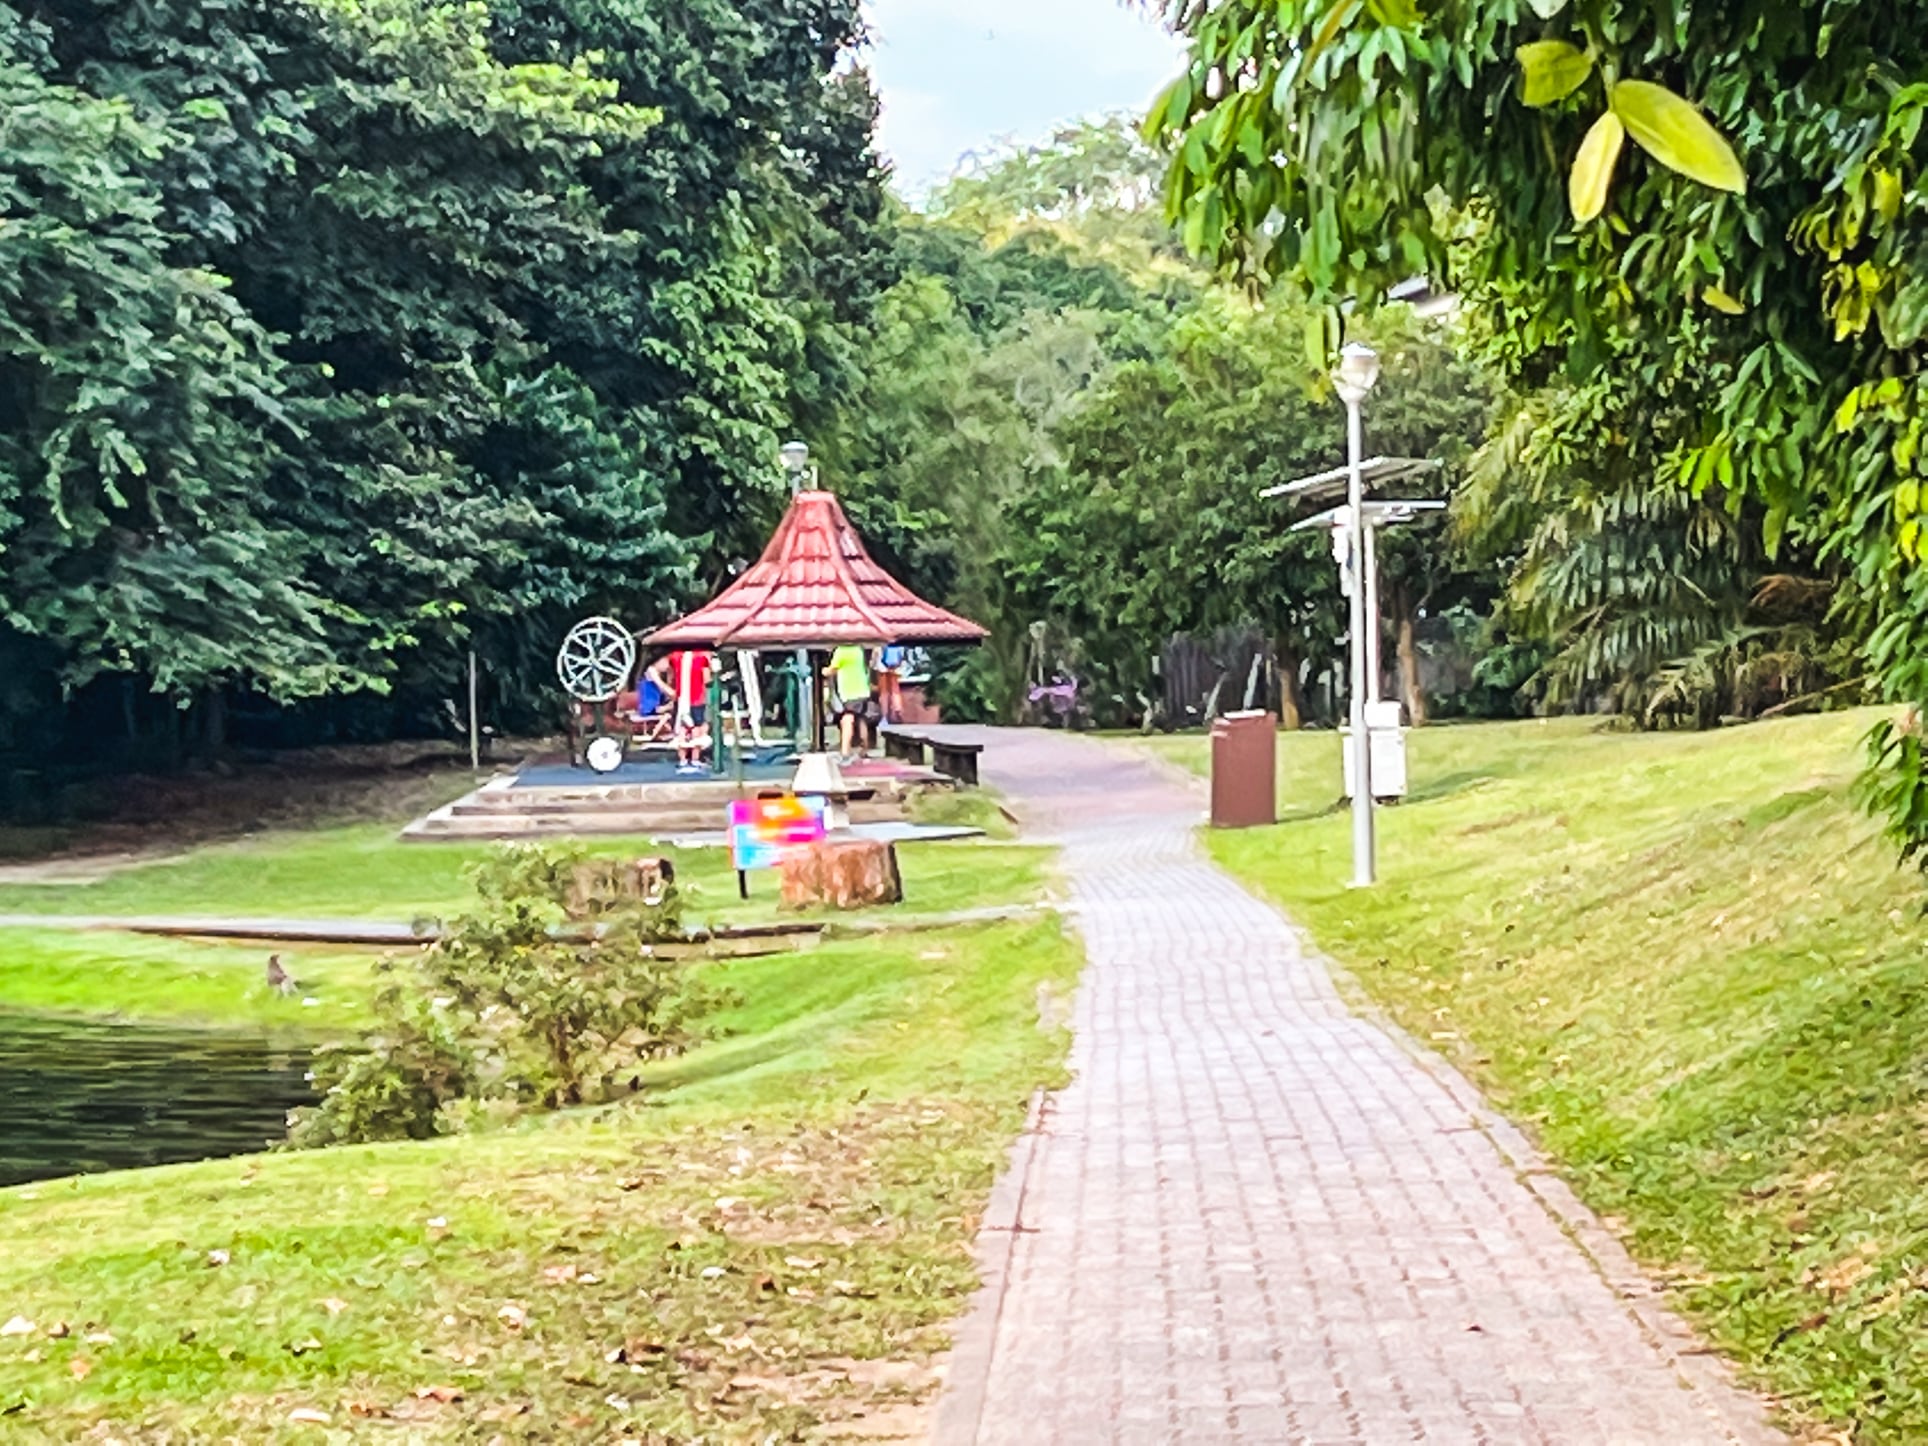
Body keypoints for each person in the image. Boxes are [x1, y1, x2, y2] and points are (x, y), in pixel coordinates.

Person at [667, 647, 713, 773]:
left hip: (680, 698)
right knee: (697, 728)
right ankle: (695, 759)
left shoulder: (675, 655)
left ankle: (682, 761)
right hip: (697, 699)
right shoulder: (701, 656)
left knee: (681, 728)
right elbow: (707, 680)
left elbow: (671, 678)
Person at [829, 643, 876, 763]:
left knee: (847, 720)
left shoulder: (841, 651)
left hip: (850, 692)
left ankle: (845, 752)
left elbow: (832, 670)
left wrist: (823, 670)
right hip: (863, 691)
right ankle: (864, 748)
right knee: (861, 720)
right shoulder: (858, 650)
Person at [876, 643, 906, 724]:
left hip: (882, 664)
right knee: (895, 689)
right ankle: (897, 711)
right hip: (896, 663)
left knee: (884, 692)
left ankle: (884, 716)